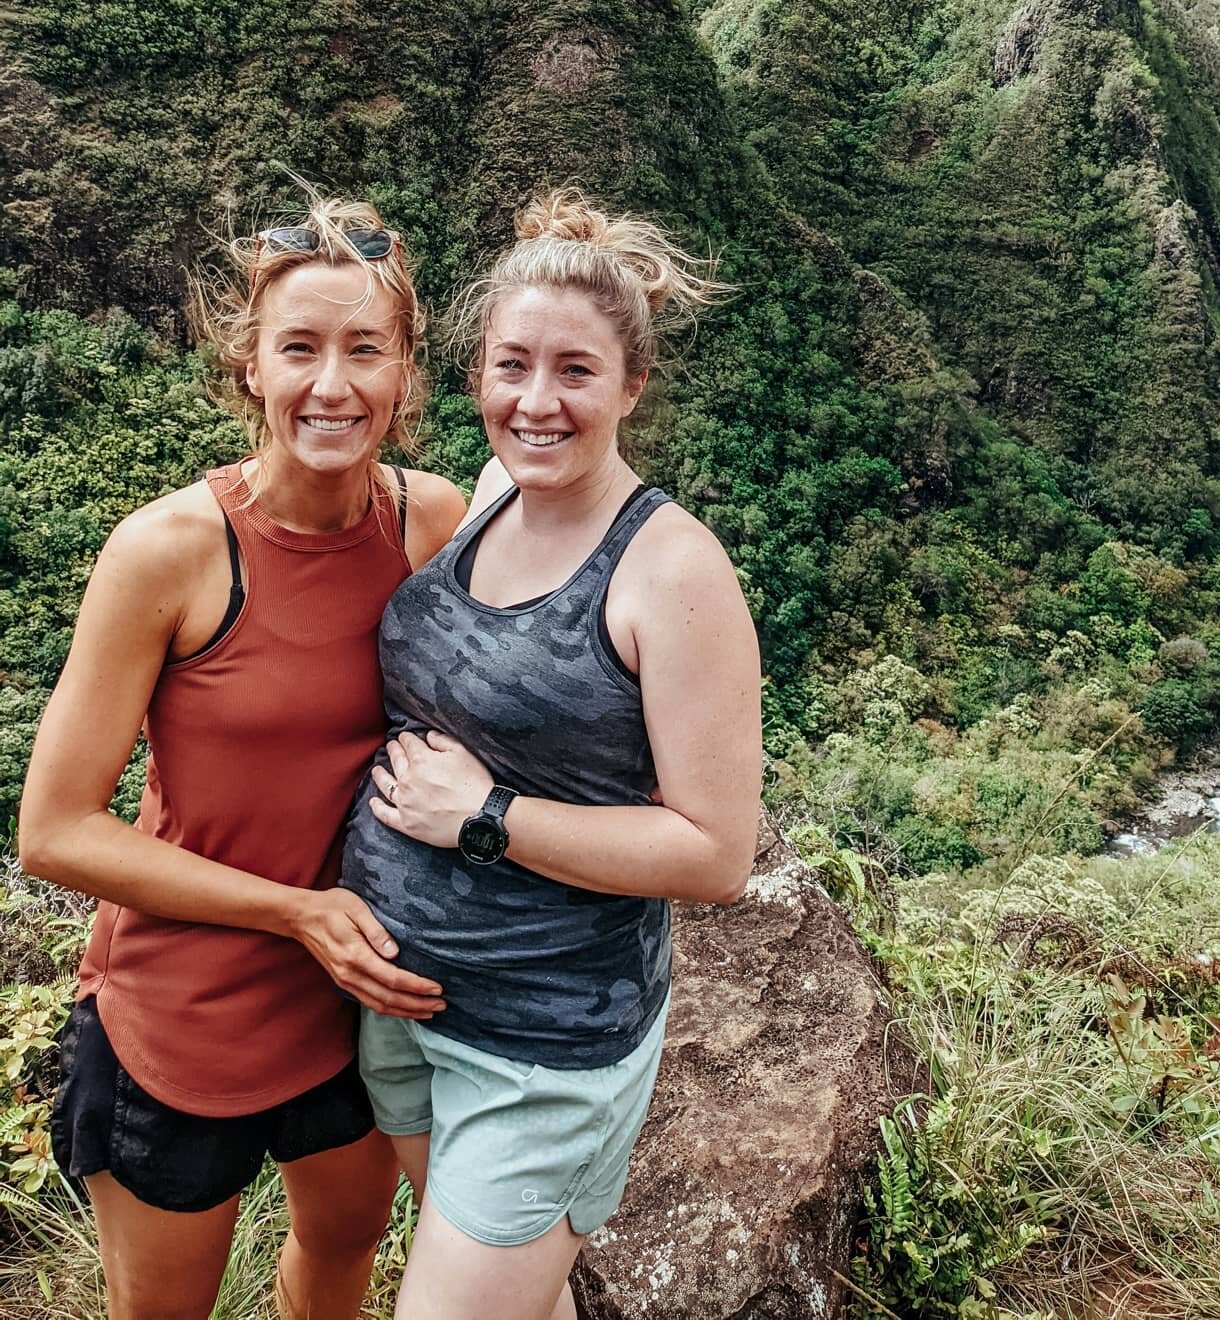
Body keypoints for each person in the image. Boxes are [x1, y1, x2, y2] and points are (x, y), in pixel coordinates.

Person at [17, 198, 468, 1320]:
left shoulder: (430, 526)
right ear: (249, 367)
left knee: (342, 1257)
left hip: (358, 1005)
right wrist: (295, 913)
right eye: (300, 350)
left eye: (365, 350)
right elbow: (56, 829)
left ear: (405, 372)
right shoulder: (170, 553)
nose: (333, 385)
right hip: (184, 1012)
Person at [341, 189, 763, 1320]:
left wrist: (486, 816)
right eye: (510, 365)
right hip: (402, 1003)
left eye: (574, 371)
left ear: (632, 385)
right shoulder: (486, 500)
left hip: (543, 1046)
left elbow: (717, 853)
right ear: (476, 374)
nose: (536, 402)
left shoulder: (670, 572)